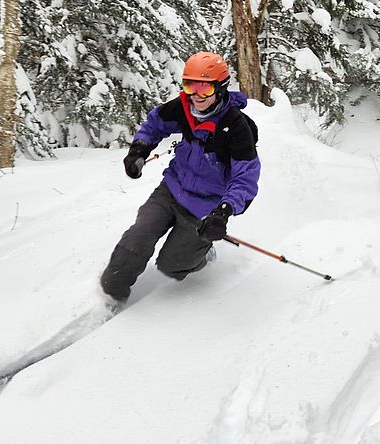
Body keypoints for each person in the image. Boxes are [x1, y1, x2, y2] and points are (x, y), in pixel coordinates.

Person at [100, 51, 261, 306]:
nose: (196, 95)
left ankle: (203, 253)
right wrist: (139, 150)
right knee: (138, 238)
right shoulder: (184, 107)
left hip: (205, 207)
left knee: (172, 265)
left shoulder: (235, 128)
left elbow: (245, 179)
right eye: (190, 85)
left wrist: (222, 212)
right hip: (171, 189)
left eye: (205, 88)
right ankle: (109, 296)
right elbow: (155, 123)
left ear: (220, 89)